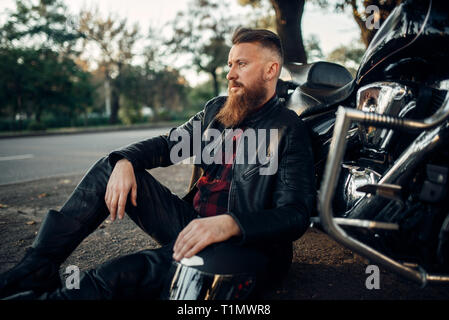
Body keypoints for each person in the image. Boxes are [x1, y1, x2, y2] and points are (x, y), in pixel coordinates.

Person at [0, 27, 316, 300]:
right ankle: (35, 268)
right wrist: (125, 160)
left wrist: (233, 223)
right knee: (111, 165)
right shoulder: (218, 110)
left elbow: (296, 214)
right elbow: (168, 145)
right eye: (230, 64)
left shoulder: (288, 128)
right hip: (191, 223)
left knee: (123, 272)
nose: (230, 74)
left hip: (246, 246)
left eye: (242, 64)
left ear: (271, 70)